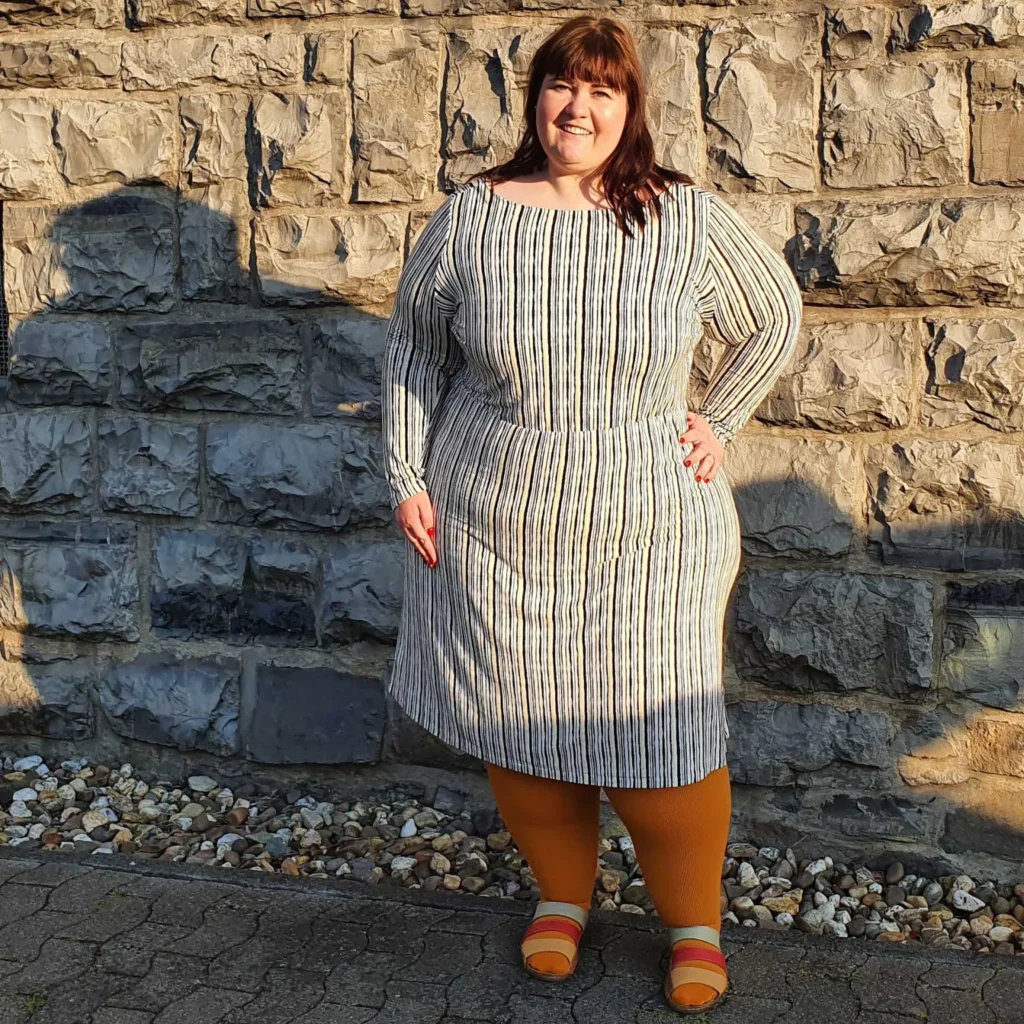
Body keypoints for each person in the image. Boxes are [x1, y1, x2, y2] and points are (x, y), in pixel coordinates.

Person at [380, 13, 802, 1016]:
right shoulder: (473, 217)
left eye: (602, 91)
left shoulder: (681, 216)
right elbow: (414, 350)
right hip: (496, 517)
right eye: (562, 86)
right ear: (535, 99)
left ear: (629, 108)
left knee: (662, 734)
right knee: (517, 719)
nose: (578, 108)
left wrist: (719, 418)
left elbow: (775, 316)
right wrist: (405, 473)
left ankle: (693, 923)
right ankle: (563, 896)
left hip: (649, 525)